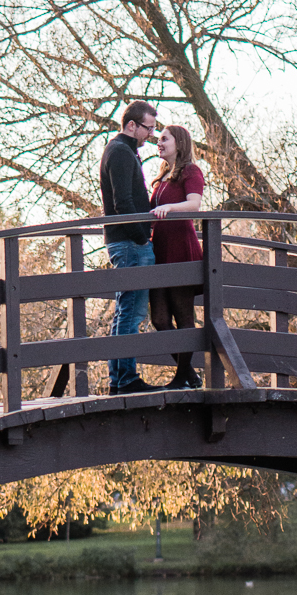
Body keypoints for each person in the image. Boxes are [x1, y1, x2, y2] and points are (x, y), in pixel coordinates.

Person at [99, 100, 159, 394]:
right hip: (128, 242)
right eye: (148, 127)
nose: (151, 134)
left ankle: (119, 379)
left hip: (125, 241)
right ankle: (125, 380)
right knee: (132, 312)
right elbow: (122, 201)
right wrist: (142, 237)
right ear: (131, 125)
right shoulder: (121, 152)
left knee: (127, 310)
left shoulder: (123, 151)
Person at [149, 125, 205, 389]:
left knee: (184, 318)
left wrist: (170, 207)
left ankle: (182, 377)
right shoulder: (161, 177)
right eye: (158, 139)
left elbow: (195, 204)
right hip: (159, 253)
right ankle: (190, 376)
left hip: (181, 250)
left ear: (179, 143)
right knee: (159, 319)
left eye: (164, 139)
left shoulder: (190, 171)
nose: (158, 143)